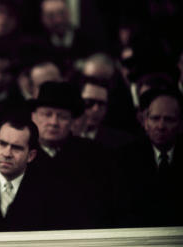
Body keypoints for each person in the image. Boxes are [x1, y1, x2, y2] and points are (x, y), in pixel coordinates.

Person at [29, 81, 126, 228]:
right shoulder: (22, 153)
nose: (53, 122)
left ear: (73, 121)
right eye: (47, 114)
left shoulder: (94, 155)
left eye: (62, 116)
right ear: (34, 116)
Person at [120, 88, 182, 226]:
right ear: (145, 122)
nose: (161, 126)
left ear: (180, 124)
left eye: (169, 120)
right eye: (155, 118)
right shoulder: (125, 158)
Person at [72, 79, 135, 149]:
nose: (96, 109)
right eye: (89, 102)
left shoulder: (121, 141)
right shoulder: (62, 134)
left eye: (101, 104)